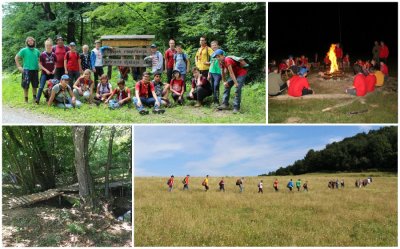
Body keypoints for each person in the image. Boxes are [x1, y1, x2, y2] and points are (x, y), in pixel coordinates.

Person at [212, 49, 248, 114]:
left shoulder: (227, 60)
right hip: (234, 74)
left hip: (241, 73)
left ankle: (236, 108)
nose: (217, 58)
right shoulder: (220, 62)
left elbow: (231, 73)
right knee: (227, 86)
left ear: (222, 56)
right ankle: (225, 104)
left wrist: (236, 83)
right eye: (216, 57)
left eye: (218, 56)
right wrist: (224, 81)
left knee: (237, 89)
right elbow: (222, 72)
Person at [15, 36, 41, 104]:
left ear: (34, 42)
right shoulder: (23, 50)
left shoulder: (37, 51)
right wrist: (19, 66)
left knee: (35, 85)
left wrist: (39, 66)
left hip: (35, 70)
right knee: (25, 85)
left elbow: (39, 59)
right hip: (26, 70)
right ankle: (26, 99)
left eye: (31, 41)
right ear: (27, 42)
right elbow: (16, 57)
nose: (30, 42)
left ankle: (34, 98)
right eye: (28, 41)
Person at [37, 38, 57, 104]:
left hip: (52, 74)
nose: (49, 47)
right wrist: (46, 70)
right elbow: (39, 64)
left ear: (52, 46)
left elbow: (56, 64)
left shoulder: (54, 54)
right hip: (44, 73)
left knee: (52, 87)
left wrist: (54, 69)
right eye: (47, 45)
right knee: (41, 86)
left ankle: (50, 99)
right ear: (45, 46)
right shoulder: (42, 54)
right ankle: (37, 100)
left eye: (50, 45)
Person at [208, 41, 223, 105]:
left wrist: (223, 74)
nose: (214, 46)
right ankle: (214, 101)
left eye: (215, 45)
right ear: (211, 47)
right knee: (213, 87)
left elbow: (223, 62)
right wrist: (209, 73)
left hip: (218, 72)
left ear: (218, 45)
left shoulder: (221, 52)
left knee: (216, 86)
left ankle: (217, 102)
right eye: (212, 45)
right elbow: (211, 63)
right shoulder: (212, 54)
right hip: (211, 72)